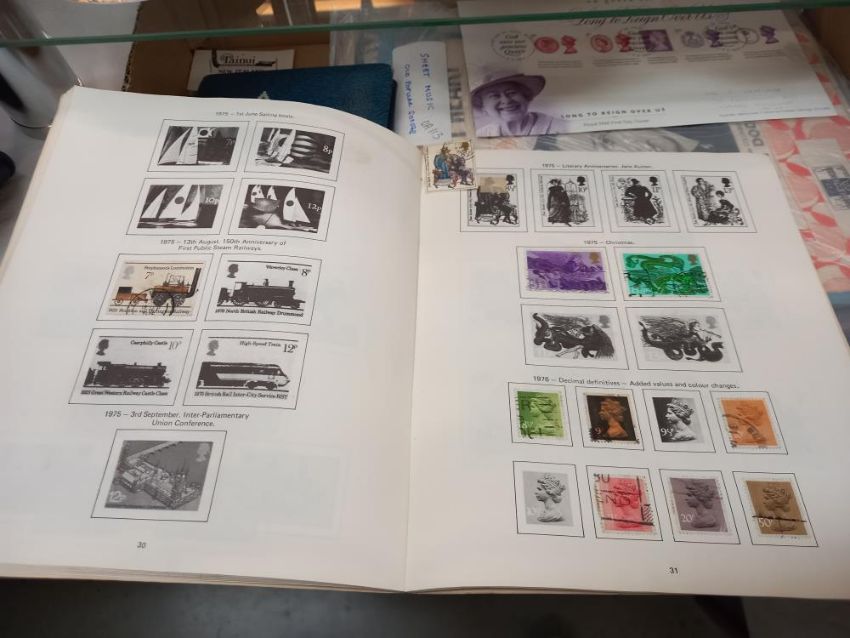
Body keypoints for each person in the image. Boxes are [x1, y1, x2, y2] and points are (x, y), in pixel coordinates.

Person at [472, 73, 568, 137]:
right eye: (494, 95)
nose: (506, 100)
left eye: (511, 93)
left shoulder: (560, 127)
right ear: (483, 107)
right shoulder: (482, 134)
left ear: (526, 97)